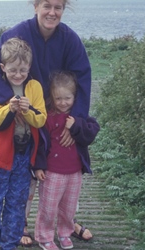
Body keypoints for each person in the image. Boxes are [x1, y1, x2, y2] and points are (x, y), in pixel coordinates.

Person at [0, 0, 93, 246]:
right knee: (28, 177)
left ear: (64, 9)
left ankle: (65, 221)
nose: (52, 12)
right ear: (35, 6)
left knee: (61, 174)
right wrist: (11, 102)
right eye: (46, 5)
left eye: (58, 7)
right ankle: (20, 224)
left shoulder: (70, 39)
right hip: (26, 119)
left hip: (55, 119)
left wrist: (76, 123)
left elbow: (83, 78)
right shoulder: (17, 34)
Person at [0, 37, 47, 250]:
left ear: (29, 68)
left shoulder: (34, 87)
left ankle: (10, 242)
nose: (18, 75)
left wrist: (28, 109)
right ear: (3, 67)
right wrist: (9, 108)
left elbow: (41, 118)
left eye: (23, 70)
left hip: (23, 156)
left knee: (17, 201)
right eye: (13, 70)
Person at [34, 71, 100, 250]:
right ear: (52, 98)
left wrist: (76, 126)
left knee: (69, 208)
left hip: (74, 172)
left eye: (67, 98)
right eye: (58, 98)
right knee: (48, 208)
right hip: (52, 172)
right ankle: (45, 237)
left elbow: (92, 132)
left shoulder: (80, 117)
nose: (63, 103)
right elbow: (40, 142)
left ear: (75, 97)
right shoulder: (48, 117)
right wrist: (39, 166)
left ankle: (65, 233)